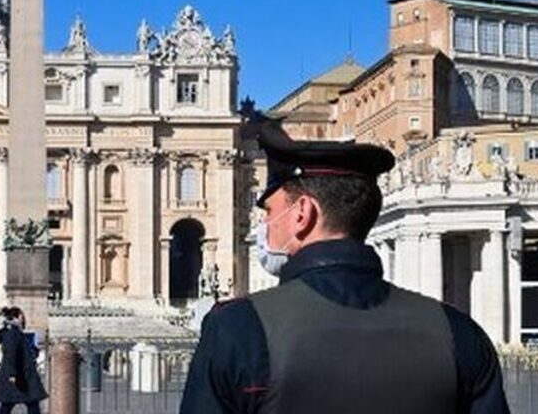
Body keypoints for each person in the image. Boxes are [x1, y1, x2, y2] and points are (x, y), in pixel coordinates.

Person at [180, 121, 509, 413]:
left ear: (301, 214)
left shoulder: (237, 331)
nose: (264, 224)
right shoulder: (459, 333)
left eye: (269, 211)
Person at [0, 306, 47, 414]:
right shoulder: (13, 334)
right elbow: (10, 353)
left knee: (23, 403)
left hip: (21, 374)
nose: (24, 319)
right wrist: (11, 374)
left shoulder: (15, 332)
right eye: (22, 316)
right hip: (19, 375)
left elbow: (20, 352)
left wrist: (33, 352)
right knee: (12, 404)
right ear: (18, 317)